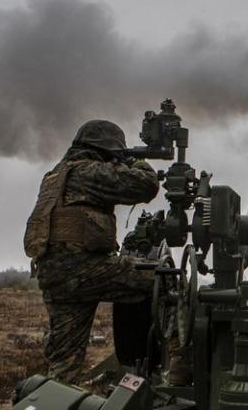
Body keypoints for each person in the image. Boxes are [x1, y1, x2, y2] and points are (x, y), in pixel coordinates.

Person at [24, 120, 159, 384]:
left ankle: (56, 401)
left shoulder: (55, 176)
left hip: (54, 275)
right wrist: (134, 161)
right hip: (83, 269)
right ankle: (176, 362)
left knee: (64, 359)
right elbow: (146, 185)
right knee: (161, 281)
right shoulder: (88, 172)